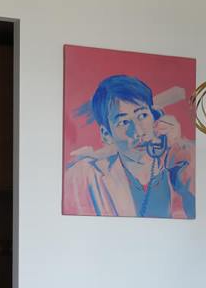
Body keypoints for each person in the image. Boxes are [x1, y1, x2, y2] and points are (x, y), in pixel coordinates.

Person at [64, 74, 195, 218]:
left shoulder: (181, 163)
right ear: (107, 134)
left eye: (143, 115)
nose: (138, 132)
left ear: (155, 116)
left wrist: (178, 150)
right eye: (124, 122)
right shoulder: (90, 178)